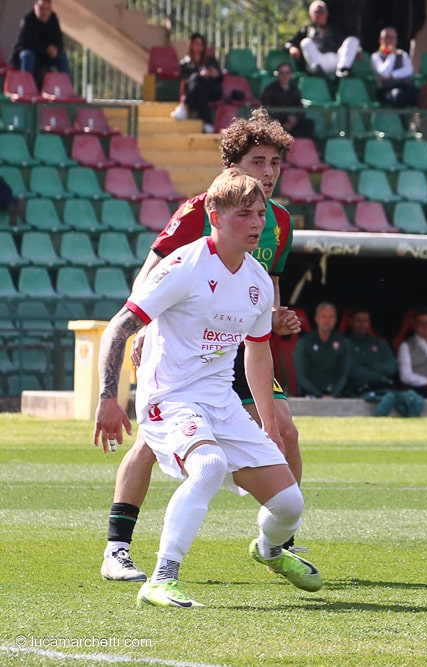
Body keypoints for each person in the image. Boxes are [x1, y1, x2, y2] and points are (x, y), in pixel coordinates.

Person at [93, 169, 323, 608]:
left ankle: (270, 550)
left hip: (221, 403)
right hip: (169, 397)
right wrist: (108, 398)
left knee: (290, 504)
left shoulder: (257, 280)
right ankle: (162, 578)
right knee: (209, 464)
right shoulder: (183, 267)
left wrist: (269, 425)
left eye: (260, 214)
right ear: (214, 216)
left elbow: (257, 355)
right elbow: (118, 329)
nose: (257, 223)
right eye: (245, 214)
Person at [285, 0, 361, 78]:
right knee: (305, 42)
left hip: (335, 62)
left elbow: (345, 45)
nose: (320, 14)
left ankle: (343, 69)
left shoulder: (334, 29)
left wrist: (356, 49)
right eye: (317, 12)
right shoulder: (305, 30)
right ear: (311, 14)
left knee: (353, 40)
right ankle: (318, 70)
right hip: (318, 62)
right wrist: (292, 47)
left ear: (327, 13)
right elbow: (289, 43)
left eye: (322, 11)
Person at [294, 302, 352, 398]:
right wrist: (320, 395)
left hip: (337, 395)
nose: (327, 320)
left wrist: (333, 395)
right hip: (310, 394)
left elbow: (344, 374)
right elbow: (301, 376)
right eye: (323, 316)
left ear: (335, 319)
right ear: (316, 319)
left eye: (330, 317)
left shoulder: (343, 342)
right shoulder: (304, 342)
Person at [169, 33, 223, 134]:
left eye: (201, 44)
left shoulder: (210, 60)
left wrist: (214, 73)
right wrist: (200, 76)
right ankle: (208, 123)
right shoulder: (185, 63)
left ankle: (184, 107)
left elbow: (220, 77)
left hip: (212, 90)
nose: (199, 47)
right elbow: (186, 80)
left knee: (198, 80)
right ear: (191, 45)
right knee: (198, 82)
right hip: (198, 92)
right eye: (196, 44)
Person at [10, 0, 70, 89]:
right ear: (35, 7)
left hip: (46, 56)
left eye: (47, 9)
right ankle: (27, 88)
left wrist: (55, 49)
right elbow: (26, 43)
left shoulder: (53, 19)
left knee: (62, 56)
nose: (44, 13)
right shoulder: (28, 20)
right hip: (31, 56)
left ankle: (67, 88)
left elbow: (59, 41)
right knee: (27, 55)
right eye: (41, 9)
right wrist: (45, 49)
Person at [260, 63, 315, 139]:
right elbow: (267, 109)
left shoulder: (295, 90)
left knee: (308, 124)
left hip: (293, 122)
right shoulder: (269, 90)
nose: (284, 75)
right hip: (277, 121)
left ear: (290, 75)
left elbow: (300, 109)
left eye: (287, 72)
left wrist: (294, 120)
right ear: (278, 74)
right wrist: (286, 118)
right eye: (281, 72)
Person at [371, 27, 417, 108]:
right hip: (387, 89)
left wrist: (392, 75)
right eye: (388, 37)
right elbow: (384, 73)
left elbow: (409, 70)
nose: (391, 40)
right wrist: (391, 55)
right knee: (398, 95)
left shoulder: (402, 54)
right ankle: (400, 120)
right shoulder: (376, 56)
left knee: (420, 95)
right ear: (381, 40)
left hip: (405, 87)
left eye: (393, 37)